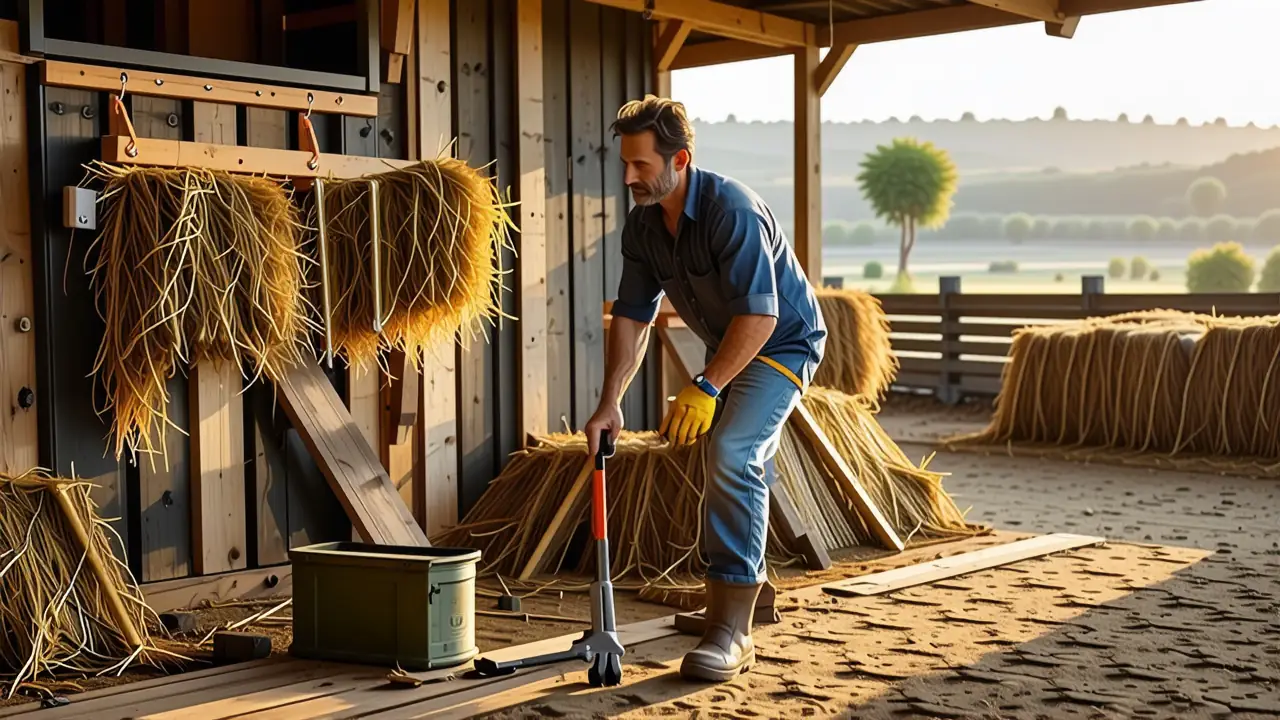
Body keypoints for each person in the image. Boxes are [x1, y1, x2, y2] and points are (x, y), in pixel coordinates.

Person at [584, 95, 826, 683]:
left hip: (783, 343)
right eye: (625, 163)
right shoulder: (644, 226)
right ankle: (743, 600)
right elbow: (634, 316)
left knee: (733, 451)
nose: (628, 177)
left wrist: (706, 385)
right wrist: (610, 401)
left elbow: (761, 319)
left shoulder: (731, 210)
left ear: (681, 159)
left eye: (641, 165)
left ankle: (733, 631)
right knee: (737, 460)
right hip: (732, 343)